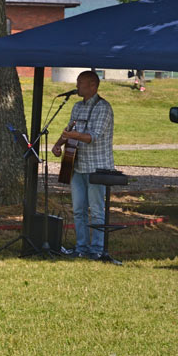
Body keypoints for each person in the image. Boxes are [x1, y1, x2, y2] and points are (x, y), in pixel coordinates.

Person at [51, 70, 114, 260]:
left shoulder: (103, 108)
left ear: (93, 85)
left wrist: (73, 136)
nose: (76, 86)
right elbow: (69, 130)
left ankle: (97, 249)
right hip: (76, 166)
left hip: (97, 167)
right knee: (78, 210)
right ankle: (81, 247)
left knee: (96, 210)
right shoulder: (77, 106)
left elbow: (93, 137)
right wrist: (58, 144)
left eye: (80, 83)